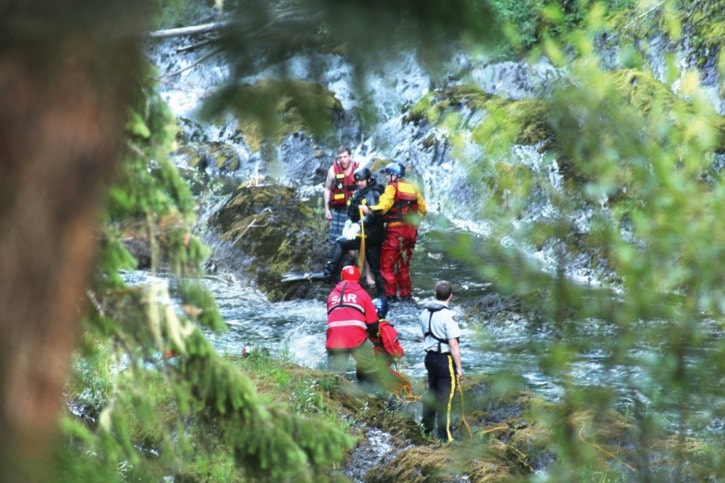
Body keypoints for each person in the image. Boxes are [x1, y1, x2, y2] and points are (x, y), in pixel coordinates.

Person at [361, 161, 427, 303]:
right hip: (411, 233)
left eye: (388, 175)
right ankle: (406, 295)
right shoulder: (413, 189)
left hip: (396, 232)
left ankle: (391, 297)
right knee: (403, 264)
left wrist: (369, 210)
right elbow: (423, 210)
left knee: (387, 264)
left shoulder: (392, 188)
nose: (386, 178)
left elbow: (383, 207)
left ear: (393, 175)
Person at [322, 166, 385, 296]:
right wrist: (350, 222)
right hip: (366, 232)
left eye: (361, 181)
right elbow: (354, 212)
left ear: (368, 180)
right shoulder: (359, 192)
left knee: (341, 242)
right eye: (357, 181)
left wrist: (357, 225)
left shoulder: (373, 193)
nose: (359, 183)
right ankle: (382, 293)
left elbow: (373, 214)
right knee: (374, 265)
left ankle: (329, 273)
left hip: (371, 233)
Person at [419, 280, 462, 443]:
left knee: (431, 394)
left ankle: (425, 429)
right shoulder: (449, 315)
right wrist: (458, 367)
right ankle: (446, 437)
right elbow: (453, 343)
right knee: (446, 399)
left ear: (434, 293)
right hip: (444, 359)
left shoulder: (424, 313)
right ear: (450, 296)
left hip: (429, 357)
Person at [326, 265, 380, 391]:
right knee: (371, 369)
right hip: (357, 338)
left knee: (335, 377)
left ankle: (335, 400)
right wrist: (374, 339)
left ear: (341, 277)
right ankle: (375, 396)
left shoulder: (332, 295)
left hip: (335, 340)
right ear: (358, 279)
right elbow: (373, 324)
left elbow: (332, 316)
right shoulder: (363, 294)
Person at [323, 145, 358, 244]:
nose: (342, 160)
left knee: (351, 239)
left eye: (345, 157)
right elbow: (327, 189)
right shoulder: (333, 170)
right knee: (335, 239)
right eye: (340, 157)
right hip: (338, 209)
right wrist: (327, 209)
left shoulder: (358, 169)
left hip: (354, 209)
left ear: (350, 156)